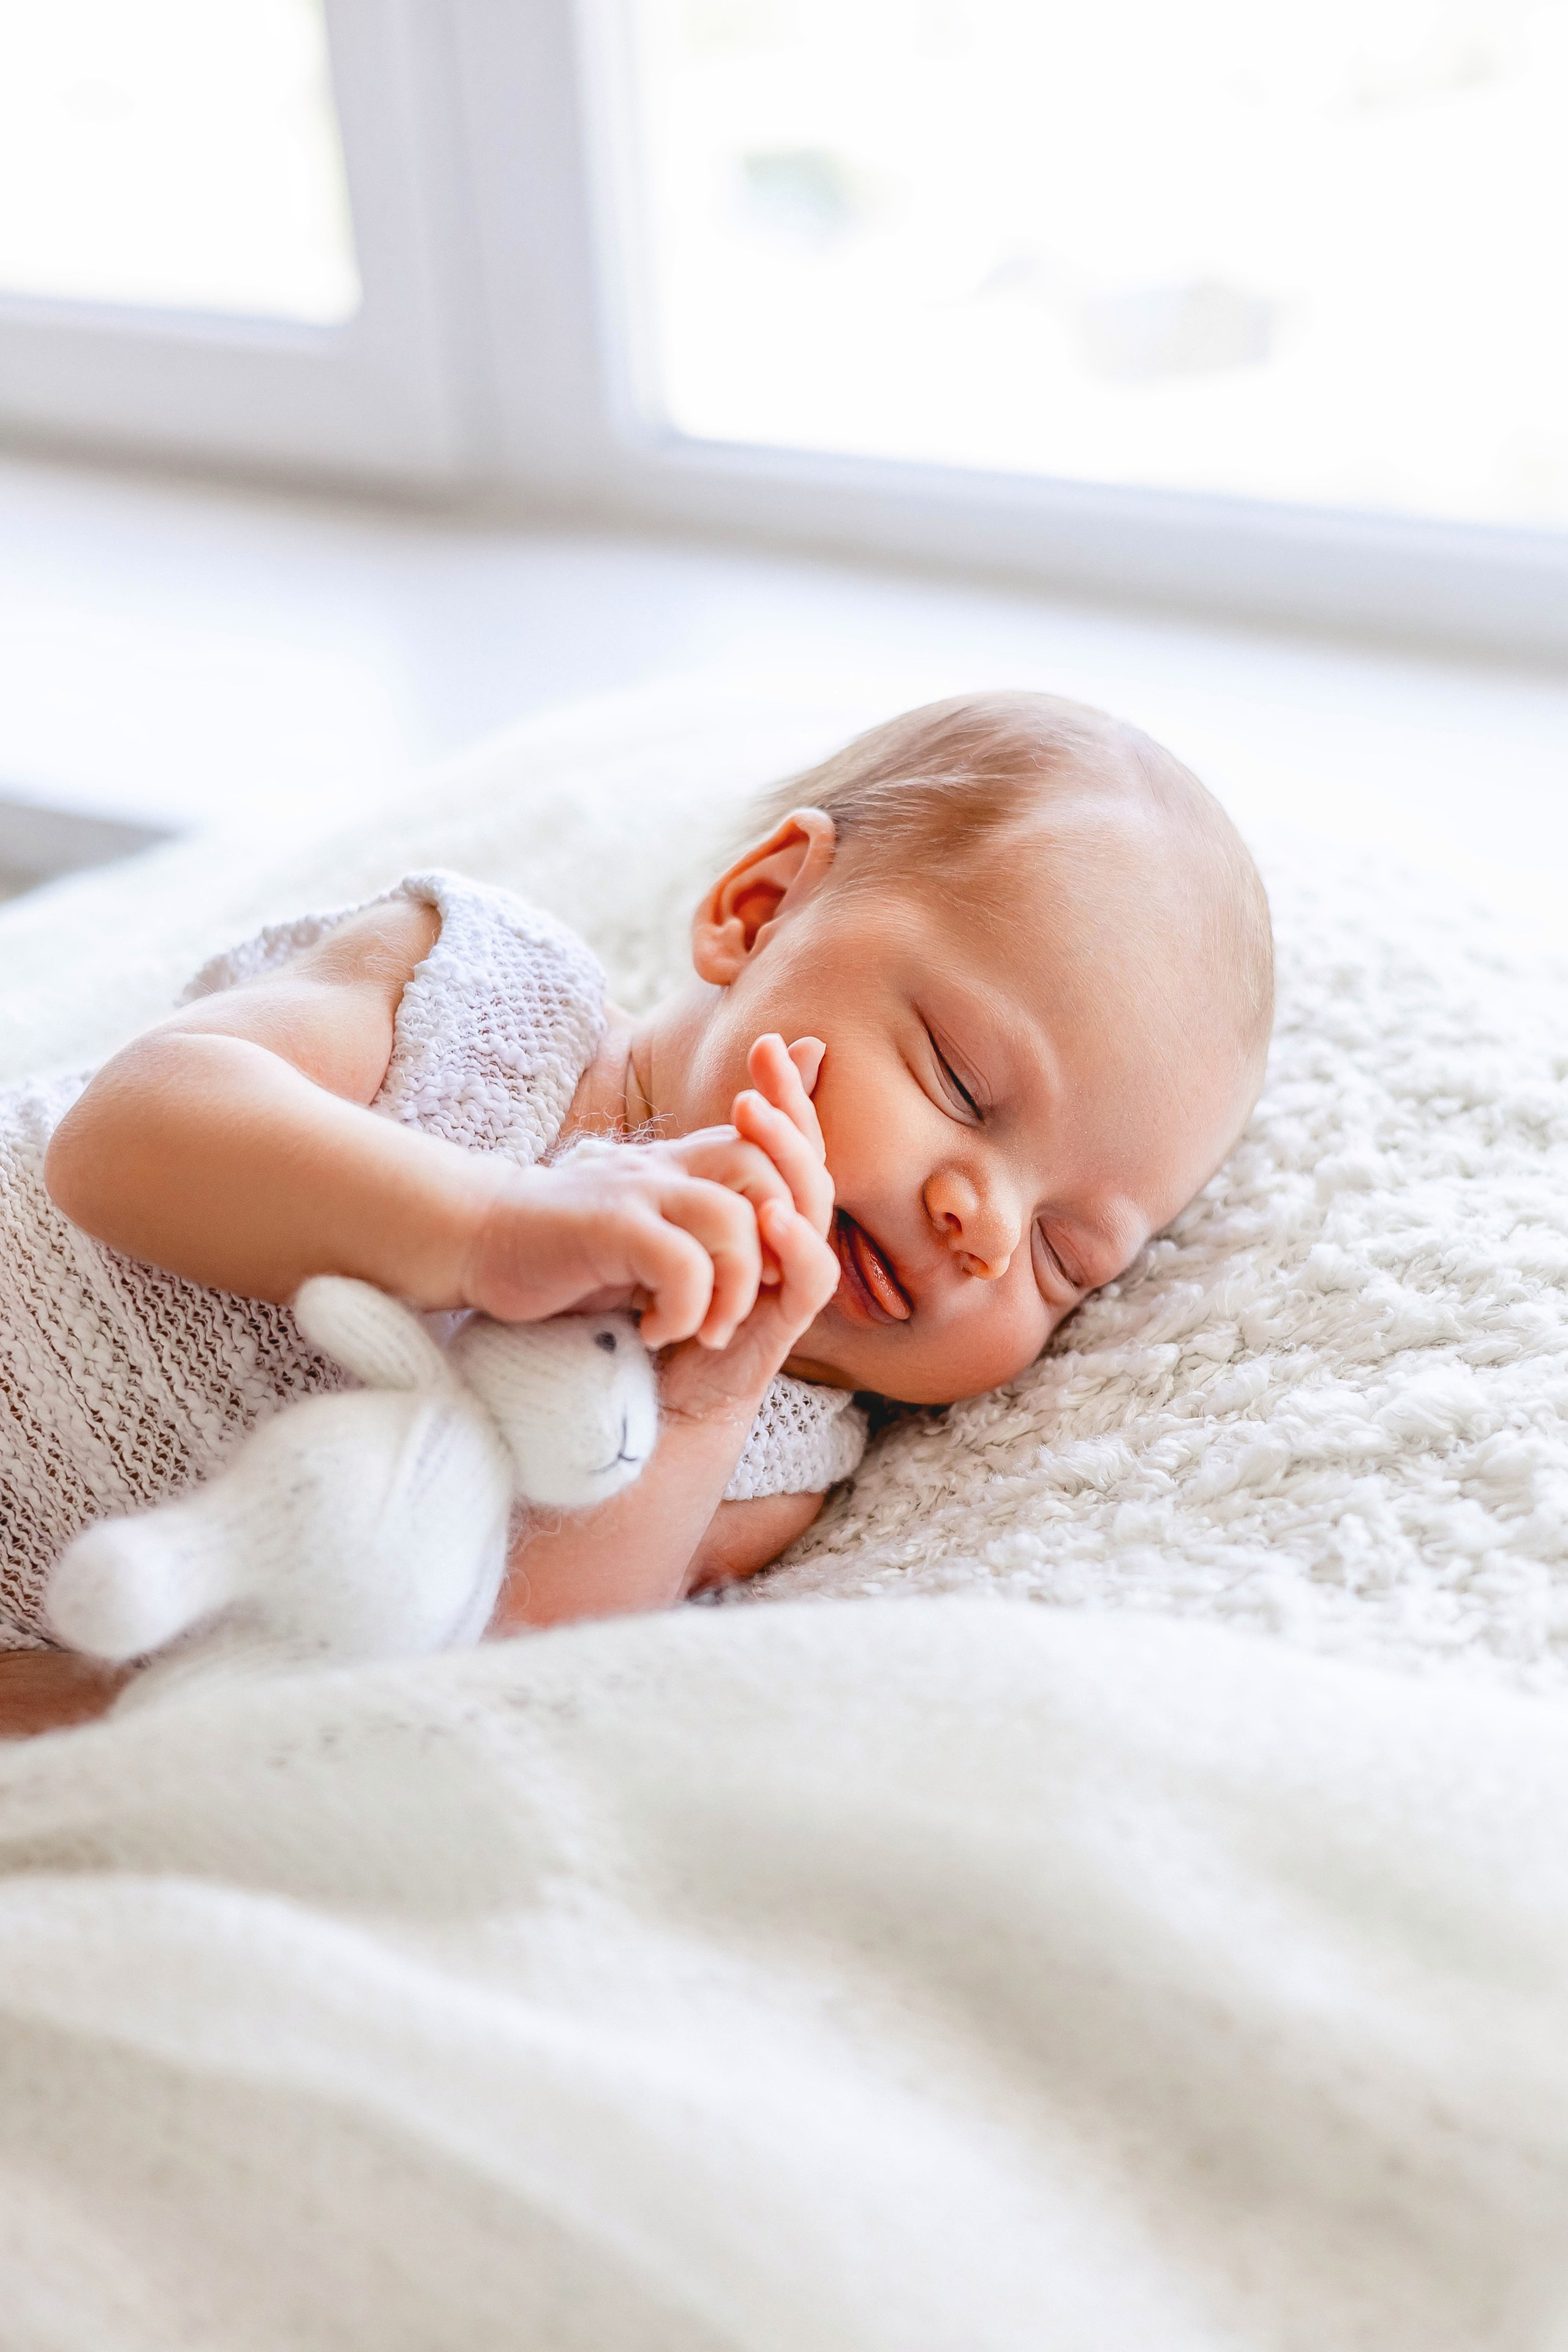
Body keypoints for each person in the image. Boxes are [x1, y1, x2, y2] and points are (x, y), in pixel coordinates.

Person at [0, 690, 1273, 1732]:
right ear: (759, 909)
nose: (979, 1225)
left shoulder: (769, 1449)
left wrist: (698, 1408)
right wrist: (486, 1228)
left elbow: (503, 1673)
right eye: (958, 1081)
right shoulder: (476, 997)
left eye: (1063, 1257)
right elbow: (123, 1141)